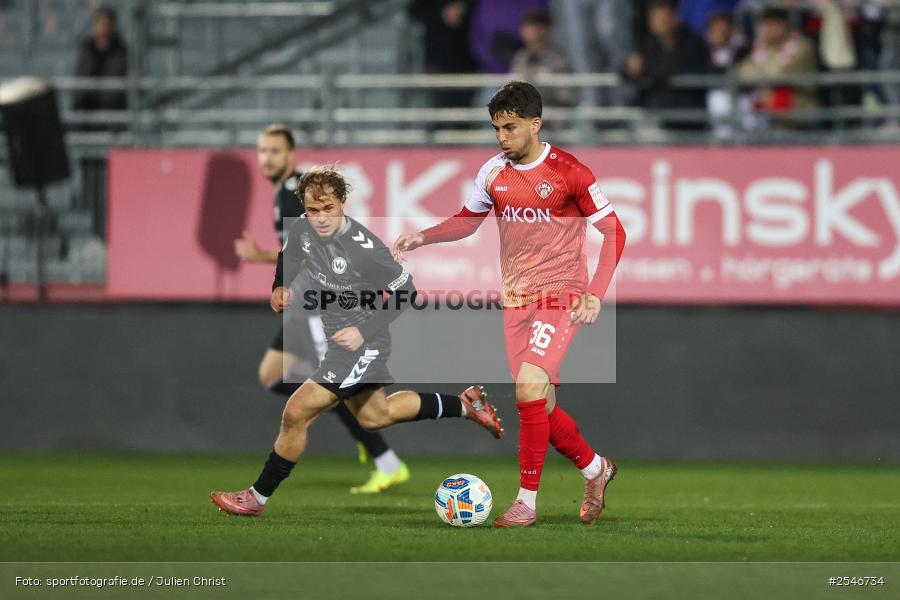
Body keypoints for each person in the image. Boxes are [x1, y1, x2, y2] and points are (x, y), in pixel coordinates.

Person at [392, 81, 627, 527]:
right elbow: (467, 222)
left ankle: (526, 502)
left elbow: (615, 231)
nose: (502, 137)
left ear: (535, 124)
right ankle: (597, 470)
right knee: (541, 405)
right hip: (516, 299)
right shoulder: (492, 172)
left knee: (527, 390)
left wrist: (594, 292)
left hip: (561, 293)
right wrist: (423, 236)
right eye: (497, 128)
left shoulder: (570, 172)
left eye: (511, 128)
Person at [211, 167, 504, 517]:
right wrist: (280, 286)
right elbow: (288, 255)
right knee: (375, 416)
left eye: (328, 209)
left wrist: (363, 333)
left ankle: (256, 498)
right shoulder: (302, 228)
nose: (320, 218)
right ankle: (464, 405)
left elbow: (407, 291)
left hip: (362, 343)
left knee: (297, 411)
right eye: (313, 210)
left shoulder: (363, 248)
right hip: (342, 342)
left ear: (343, 203)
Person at [233, 125, 410, 495]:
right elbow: (293, 250)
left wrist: (262, 260)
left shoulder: (295, 195)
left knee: (329, 383)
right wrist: (278, 280)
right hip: (302, 303)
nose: (268, 158)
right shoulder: (286, 194)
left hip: (321, 303)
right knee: (273, 375)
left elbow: (321, 252)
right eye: (262, 151)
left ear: (291, 154)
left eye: (275, 151)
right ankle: (346, 418)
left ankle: (384, 459)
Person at [624, 0, 710, 130]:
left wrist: (644, 69)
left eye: (663, 19)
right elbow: (626, 72)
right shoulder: (648, 44)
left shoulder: (692, 41)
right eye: (655, 19)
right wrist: (630, 69)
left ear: (674, 17)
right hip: (656, 116)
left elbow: (671, 69)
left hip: (689, 118)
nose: (659, 23)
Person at [737, 7, 819, 129]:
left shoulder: (803, 46)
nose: (767, 29)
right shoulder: (761, 47)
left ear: (785, 25)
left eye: (772, 24)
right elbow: (743, 72)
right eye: (764, 24)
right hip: (766, 106)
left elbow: (781, 75)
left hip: (799, 104)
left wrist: (759, 73)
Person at [510, 10, 574, 108]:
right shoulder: (520, 57)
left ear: (546, 30)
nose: (529, 32)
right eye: (526, 27)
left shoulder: (559, 58)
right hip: (524, 115)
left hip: (552, 114)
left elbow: (564, 96)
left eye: (534, 27)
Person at [73, 6, 128, 113]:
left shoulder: (122, 53)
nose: (103, 29)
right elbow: (81, 80)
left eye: (107, 25)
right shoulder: (86, 51)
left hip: (113, 112)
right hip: (86, 112)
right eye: (100, 24)